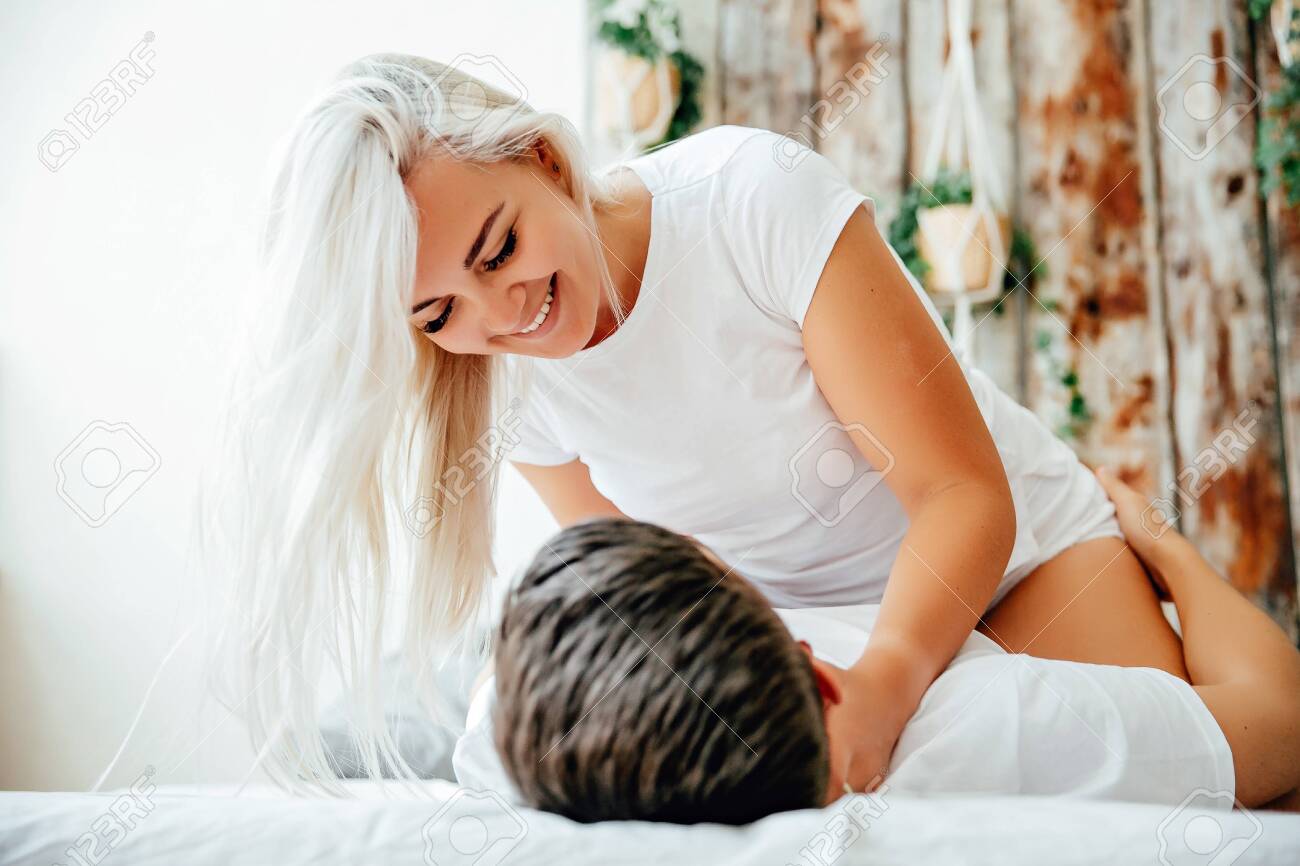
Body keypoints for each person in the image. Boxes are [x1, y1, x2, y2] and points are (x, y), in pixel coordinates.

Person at [212, 52, 1186, 791]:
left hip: (1017, 564)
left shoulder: (748, 199)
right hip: (797, 638)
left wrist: (888, 685)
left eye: (498, 246)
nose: (499, 312)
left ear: (545, 157)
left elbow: (960, 494)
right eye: (439, 313)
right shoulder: (503, 378)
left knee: (1189, 774)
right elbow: (659, 586)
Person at [455, 469, 1300, 823]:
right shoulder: (979, 724)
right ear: (821, 676)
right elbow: (1282, 719)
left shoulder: (505, 742)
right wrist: (1165, 548)